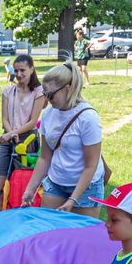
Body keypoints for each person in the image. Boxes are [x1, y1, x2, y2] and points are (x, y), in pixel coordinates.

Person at [20, 61, 104, 218]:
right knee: (49, 230)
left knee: (81, 236)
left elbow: (90, 166)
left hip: (87, 187)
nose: (47, 99)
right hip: (56, 182)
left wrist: (73, 199)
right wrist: (30, 189)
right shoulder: (48, 114)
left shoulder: (88, 118)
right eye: (44, 94)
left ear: (68, 88)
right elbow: (45, 156)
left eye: (50, 95)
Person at [0, 54, 46, 211]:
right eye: (16, 71)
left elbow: (32, 121)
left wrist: (12, 134)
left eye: (22, 70)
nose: (18, 74)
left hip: (28, 141)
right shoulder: (7, 91)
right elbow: (4, 118)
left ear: (31, 69)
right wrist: (10, 134)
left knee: (23, 185)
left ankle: (22, 218)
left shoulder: (39, 92)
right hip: (8, 138)